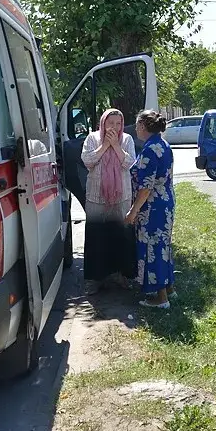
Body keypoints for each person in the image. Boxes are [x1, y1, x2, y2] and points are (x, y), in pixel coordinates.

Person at [80, 108, 137, 295]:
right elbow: (87, 161)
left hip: (121, 197)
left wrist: (116, 146)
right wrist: (105, 145)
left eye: (118, 123)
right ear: (103, 123)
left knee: (121, 235)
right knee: (97, 238)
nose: (114, 127)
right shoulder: (92, 138)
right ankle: (95, 279)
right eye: (110, 123)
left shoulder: (127, 139)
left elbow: (129, 163)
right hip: (97, 197)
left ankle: (121, 275)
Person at [125, 110, 175, 309]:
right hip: (166, 202)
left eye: (137, 125)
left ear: (144, 127)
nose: (136, 128)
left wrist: (132, 212)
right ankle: (170, 287)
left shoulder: (149, 150)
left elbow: (145, 187)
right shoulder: (163, 144)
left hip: (153, 206)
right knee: (164, 245)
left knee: (153, 248)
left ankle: (161, 298)